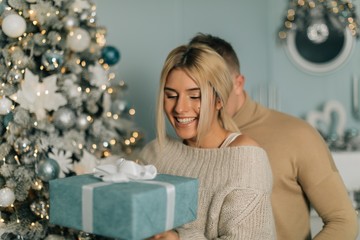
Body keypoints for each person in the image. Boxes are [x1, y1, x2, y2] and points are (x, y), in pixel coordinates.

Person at [188, 33, 359, 240]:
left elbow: (343, 220)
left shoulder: (297, 136)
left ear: (238, 83)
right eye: (195, 91)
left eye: (214, 86)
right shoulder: (185, 139)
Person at [140, 43, 276, 239]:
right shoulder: (153, 153)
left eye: (195, 96)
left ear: (220, 100)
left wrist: (179, 238)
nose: (180, 108)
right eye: (171, 96)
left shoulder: (246, 160)